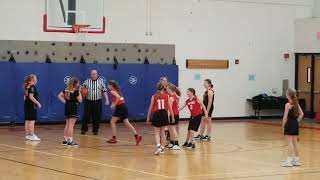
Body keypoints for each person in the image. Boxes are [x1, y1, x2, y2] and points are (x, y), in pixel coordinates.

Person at [106, 80, 142, 145]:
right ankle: (137, 136)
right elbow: (119, 98)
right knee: (127, 122)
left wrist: (114, 104)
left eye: (108, 85)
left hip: (120, 107)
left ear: (111, 86)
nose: (107, 86)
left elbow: (118, 97)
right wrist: (114, 103)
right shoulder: (117, 90)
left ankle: (114, 138)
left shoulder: (112, 91)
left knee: (112, 121)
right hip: (123, 106)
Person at [147, 83, 173, 155]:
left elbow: (150, 107)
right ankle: (162, 148)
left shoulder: (154, 96)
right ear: (163, 88)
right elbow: (170, 108)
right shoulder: (167, 96)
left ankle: (158, 146)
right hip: (164, 114)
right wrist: (172, 117)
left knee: (157, 133)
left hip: (157, 114)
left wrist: (148, 117)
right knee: (163, 132)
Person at [81, 70, 109, 135]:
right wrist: (82, 95)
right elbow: (82, 90)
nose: (93, 75)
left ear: (97, 75)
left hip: (97, 102)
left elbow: (104, 91)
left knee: (96, 116)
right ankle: (84, 129)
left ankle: (95, 130)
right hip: (88, 101)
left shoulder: (101, 81)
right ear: (90, 75)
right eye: (92, 74)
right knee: (86, 116)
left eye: (94, 74)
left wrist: (107, 99)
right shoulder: (86, 82)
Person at [281, 88, 304, 167]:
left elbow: (285, 117)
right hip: (295, 124)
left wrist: (283, 126)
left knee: (290, 143)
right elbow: (301, 114)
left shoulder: (288, 105)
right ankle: (296, 160)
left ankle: (289, 161)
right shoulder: (296, 104)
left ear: (288, 95)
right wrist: (297, 121)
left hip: (289, 124)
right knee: (295, 143)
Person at [58, 77, 82, 147]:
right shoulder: (76, 91)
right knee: (71, 125)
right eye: (78, 83)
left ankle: (65, 140)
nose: (79, 84)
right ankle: (70, 142)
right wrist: (79, 91)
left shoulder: (66, 90)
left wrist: (65, 102)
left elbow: (59, 96)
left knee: (67, 124)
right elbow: (80, 100)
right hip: (73, 107)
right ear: (75, 83)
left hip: (67, 107)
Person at [23, 74, 42, 141]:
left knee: (27, 120)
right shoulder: (32, 86)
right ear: (32, 79)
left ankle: (28, 135)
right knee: (32, 120)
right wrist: (38, 103)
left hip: (26, 105)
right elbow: (31, 97)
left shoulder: (27, 86)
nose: (36, 79)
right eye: (35, 78)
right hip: (31, 105)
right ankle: (32, 135)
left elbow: (25, 97)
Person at [165, 83, 181, 150]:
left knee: (173, 129)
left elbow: (170, 109)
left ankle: (176, 144)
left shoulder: (171, 97)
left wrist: (170, 117)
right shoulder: (173, 96)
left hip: (173, 115)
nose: (167, 90)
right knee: (170, 129)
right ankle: (172, 142)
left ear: (171, 89)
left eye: (168, 89)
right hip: (173, 114)